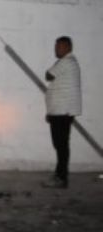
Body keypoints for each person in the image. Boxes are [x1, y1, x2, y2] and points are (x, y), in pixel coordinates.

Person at [42, 36, 82, 189]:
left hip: (62, 112)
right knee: (60, 145)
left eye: (59, 47)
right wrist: (50, 112)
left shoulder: (66, 61)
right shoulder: (68, 62)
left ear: (67, 48)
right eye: (56, 46)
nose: (56, 49)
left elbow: (48, 75)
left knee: (61, 145)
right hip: (60, 111)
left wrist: (53, 112)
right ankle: (60, 174)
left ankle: (61, 178)